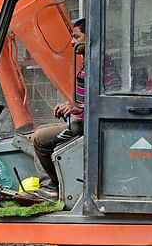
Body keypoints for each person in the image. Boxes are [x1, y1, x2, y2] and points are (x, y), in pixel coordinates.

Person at [31, 18, 121, 199]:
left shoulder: (104, 67)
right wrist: (69, 105)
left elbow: (113, 102)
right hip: (83, 120)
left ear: (91, 39)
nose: (72, 42)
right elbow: (86, 98)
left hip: (90, 126)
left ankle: (51, 187)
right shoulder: (88, 64)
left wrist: (77, 107)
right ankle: (51, 185)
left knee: (39, 139)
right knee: (40, 130)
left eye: (76, 36)